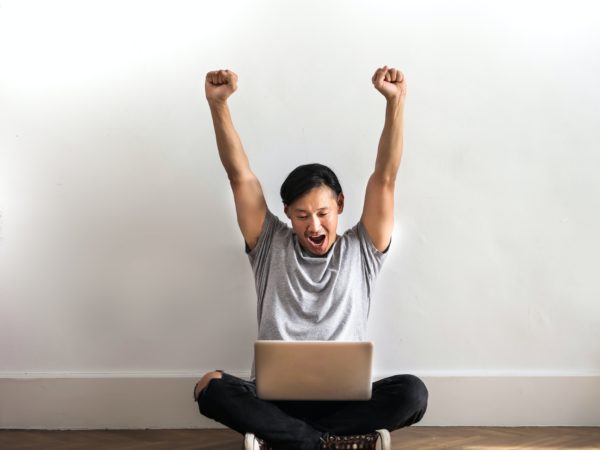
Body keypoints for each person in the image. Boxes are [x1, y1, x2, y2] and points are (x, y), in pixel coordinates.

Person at [195, 66, 428, 450]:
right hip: (274, 400)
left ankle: (289, 441)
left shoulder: (362, 249)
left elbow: (385, 177)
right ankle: (330, 445)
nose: (314, 225)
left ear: (340, 205)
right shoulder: (270, 242)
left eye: (322, 213)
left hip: (343, 403)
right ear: (287, 213)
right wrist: (217, 104)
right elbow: (240, 177)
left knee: (413, 393)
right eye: (302, 216)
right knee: (211, 388)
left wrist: (395, 102)